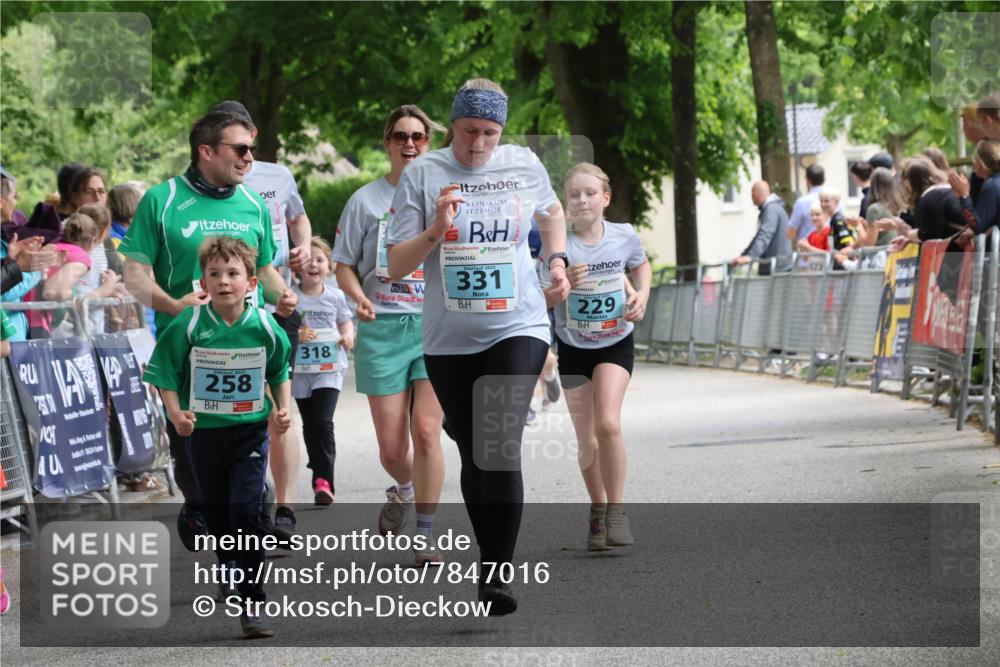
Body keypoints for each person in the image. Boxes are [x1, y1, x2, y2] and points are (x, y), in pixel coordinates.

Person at [386, 78, 570, 613]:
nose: (479, 143)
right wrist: (436, 230)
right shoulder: (423, 174)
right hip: (449, 340)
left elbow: (552, 214)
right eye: (470, 131)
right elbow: (395, 264)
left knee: (499, 442)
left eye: (491, 132)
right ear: (452, 126)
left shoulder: (523, 165)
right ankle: (489, 561)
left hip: (519, 324)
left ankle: (496, 573)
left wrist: (556, 260)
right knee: (474, 452)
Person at [120, 110, 297, 546]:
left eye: (251, 149)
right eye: (241, 148)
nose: (250, 158)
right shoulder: (161, 200)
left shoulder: (253, 203)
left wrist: (283, 297)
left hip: (246, 346)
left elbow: (265, 269)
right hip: (189, 350)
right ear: (206, 151)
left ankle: (248, 532)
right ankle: (198, 505)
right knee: (195, 464)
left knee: (247, 452)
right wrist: (173, 305)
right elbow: (135, 274)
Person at [143, 236, 291, 639]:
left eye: (233, 273)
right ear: (203, 283)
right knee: (221, 517)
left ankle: (253, 601)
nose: (224, 281)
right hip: (204, 435)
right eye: (215, 274)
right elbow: (164, 372)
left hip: (249, 432)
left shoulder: (264, 325)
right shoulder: (189, 324)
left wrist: (283, 408)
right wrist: (176, 414)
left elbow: (279, 369)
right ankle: (228, 564)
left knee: (245, 512)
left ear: (251, 283)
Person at [333, 104, 447, 565]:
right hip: (380, 329)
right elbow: (343, 264)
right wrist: (358, 297)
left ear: (429, 144)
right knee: (392, 449)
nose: (409, 144)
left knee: (427, 432)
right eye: (400, 136)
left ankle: (426, 532)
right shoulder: (365, 201)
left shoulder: (444, 198)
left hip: (433, 327)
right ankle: (404, 487)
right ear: (387, 143)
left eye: (418, 136)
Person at [211, 101, 314, 536]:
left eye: (247, 141)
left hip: (276, 307)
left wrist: (303, 245)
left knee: (279, 409)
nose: (244, 153)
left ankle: (283, 509)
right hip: (223, 315)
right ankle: (247, 498)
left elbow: (298, 217)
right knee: (233, 413)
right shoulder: (199, 189)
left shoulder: (277, 176)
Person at [541, 162, 650, 551]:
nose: (582, 200)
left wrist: (642, 295)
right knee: (587, 439)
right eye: (574, 195)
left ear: (606, 197)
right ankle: (598, 509)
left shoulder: (623, 235)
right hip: (573, 347)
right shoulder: (557, 247)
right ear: (566, 202)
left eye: (590, 193)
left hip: (615, 341)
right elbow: (540, 299)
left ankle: (617, 511)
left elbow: (641, 265)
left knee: (608, 424)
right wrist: (562, 286)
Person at [291, 236, 354, 506]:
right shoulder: (291, 297)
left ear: (329, 266)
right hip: (301, 372)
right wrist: (297, 335)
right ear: (298, 267)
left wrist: (348, 336)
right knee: (310, 425)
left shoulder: (335, 296)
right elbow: (282, 328)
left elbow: (346, 322)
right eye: (309, 260)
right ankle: (317, 466)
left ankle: (324, 481)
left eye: (320, 260)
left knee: (323, 422)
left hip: (329, 368)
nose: (314, 265)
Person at [733, 180, 792, 274]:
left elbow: (765, 234)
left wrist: (750, 256)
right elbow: (759, 236)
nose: (751, 197)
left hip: (776, 269)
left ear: (756, 194)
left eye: (752, 194)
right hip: (779, 267)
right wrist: (744, 255)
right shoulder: (774, 208)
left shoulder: (771, 210)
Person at [949, 139, 1000, 234]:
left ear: (981, 164)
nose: (973, 163)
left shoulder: (991, 186)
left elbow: (977, 225)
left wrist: (964, 195)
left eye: (975, 158)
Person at [788, 164, 827, 244]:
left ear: (807, 180)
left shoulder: (801, 202)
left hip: (807, 248)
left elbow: (791, 233)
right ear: (824, 180)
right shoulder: (834, 201)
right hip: (829, 248)